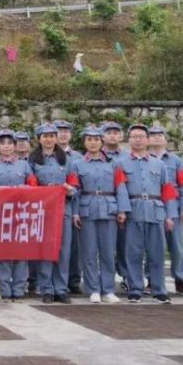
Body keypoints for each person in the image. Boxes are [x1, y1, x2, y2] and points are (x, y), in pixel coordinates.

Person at [113, 124, 178, 304]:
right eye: (134, 136)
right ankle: (135, 289)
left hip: (155, 210)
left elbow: (168, 190)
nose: (138, 139)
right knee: (133, 253)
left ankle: (159, 289)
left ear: (148, 140)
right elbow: (120, 188)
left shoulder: (159, 164)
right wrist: (123, 211)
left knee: (156, 253)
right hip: (134, 210)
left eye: (141, 136)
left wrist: (170, 215)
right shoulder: (120, 163)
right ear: (129, 140)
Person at [68, 126, 121, 303]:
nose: (93, 143)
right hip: (87, 209)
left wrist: (122, 210)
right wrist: (75, 213)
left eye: (96, 139)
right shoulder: (77, 164)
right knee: (89, 252)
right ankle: (93, 289)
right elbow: (75, 190)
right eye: (89, 140)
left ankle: (108, 289)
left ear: (102, 142)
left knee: (107, 251)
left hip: (109, 209)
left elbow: (120, 187)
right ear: (84, 142)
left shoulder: (113, 163)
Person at [0, 129, 38, 302]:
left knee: (21, 253)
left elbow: (33, 187)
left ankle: (19, 288)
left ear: (15, 146)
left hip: (21, 214)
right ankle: (5, 288)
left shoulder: (25, 166)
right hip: (0, 215)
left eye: (10, 143)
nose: (7, 147)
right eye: (3, 144)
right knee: (3, 254)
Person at [30, 123, 77, 304]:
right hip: (43, 211)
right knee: (46, 249)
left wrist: (69, 189)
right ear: (39, 138)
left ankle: (61, 288)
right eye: (45, 136)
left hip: (63, 208)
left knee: (63, 250)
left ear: (56, 138)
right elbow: (31, 184)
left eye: (52, 136)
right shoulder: (33, 160)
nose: (48, 139)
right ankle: (46, 288)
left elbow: (75, 185)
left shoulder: (66, 159)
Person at [149, 126, 183, 297]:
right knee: (153, 246)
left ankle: (181, 281)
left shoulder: (176, 161)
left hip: (173, 207)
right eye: (152, 135)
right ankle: (151, 280)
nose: (156, 138)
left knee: (176, 246)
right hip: (152, 205)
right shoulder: (145, 159)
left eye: (160, 135)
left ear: (166, 140)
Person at [55, 119, 84, 296]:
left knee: (74, 247)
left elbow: (81, 186)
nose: (63, 134)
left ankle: (73, 281)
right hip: (54, 207)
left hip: (74, 206)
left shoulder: (78, 158)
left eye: (66, 131)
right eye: (59, 131)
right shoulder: (42, 157)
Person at [102, 120, 129, 291]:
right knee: (105, 246)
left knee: (126, 244)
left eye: (116, 132)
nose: (112, 135)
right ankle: (106, 281)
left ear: (121, 136)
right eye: (109, 132)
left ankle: (127, 277)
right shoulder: (95, 154)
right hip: (104, 206)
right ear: (102, 136)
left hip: (126, 206)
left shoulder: (128, 156)